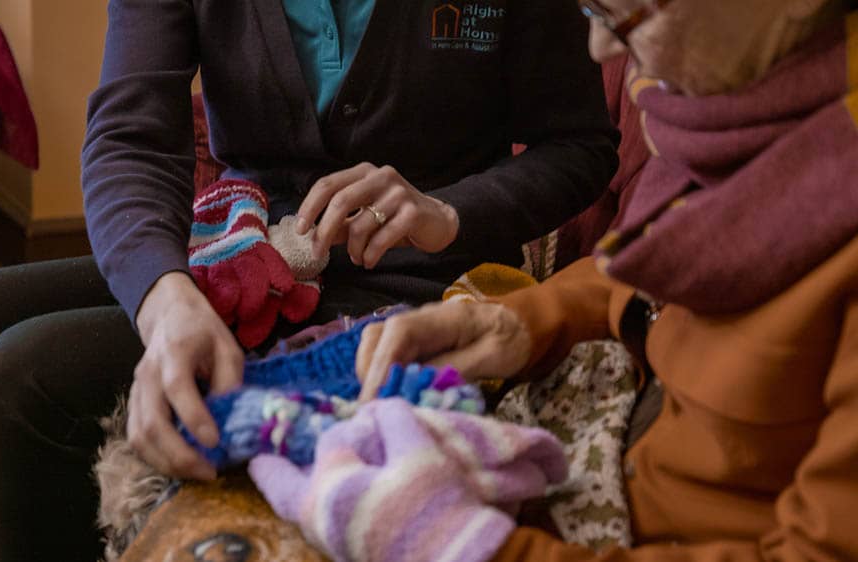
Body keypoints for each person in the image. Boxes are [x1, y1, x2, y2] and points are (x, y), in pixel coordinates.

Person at [0, 0, 619, 560]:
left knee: (21, 380)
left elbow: (580, 144)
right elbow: (131, 132)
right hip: (242, 255)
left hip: (412, 290)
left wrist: (446, 212)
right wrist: (165, 299)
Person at [342, 0, 858, 560]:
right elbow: (661, 263)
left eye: (623, 15)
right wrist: (523, 321)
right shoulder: (735, 101)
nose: (599, 48)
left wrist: (472, 547)